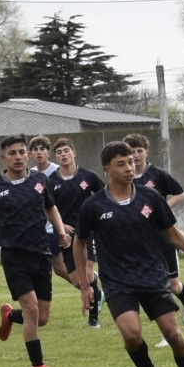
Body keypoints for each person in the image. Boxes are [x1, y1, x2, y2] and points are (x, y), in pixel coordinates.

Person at [73, 141, 184, 367]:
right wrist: (85, 285)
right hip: (117, 282)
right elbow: (78, 243)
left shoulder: (150, 197)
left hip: (151, 276)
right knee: (131, 335)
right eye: (122, 164)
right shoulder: (93, 206)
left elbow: (172, 233)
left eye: (131, 162)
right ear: (107, 169)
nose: (130, 167)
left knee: (173, 334)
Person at [0, 134, 70, 367]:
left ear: (27, 155)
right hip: (14, 256)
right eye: (12, 153)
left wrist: (61, 231)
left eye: (21, 152)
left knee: (42, 318)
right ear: (3, 158)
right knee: (31, 310)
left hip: (41, 253)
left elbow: (51, 207)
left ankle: (9, 315)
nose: (18, 157)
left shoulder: (40, 181)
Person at [122, 133, 184, 348]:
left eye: (138, 151)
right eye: (131, 151)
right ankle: (167, 331)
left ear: (146, 152)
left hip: (164, 239)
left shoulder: (158, 175)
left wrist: (162, 208)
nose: (135, 155)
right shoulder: (125, 178)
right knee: (155, 285)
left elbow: (180, 193)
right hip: (142, 242)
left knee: (173, 285)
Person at [50, 138, 106, 328]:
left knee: (87, 275)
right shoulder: (52, 181)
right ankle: (96, 285)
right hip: (66, 235)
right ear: (55, 157)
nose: (63, 155)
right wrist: (60, 226)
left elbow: (105, 196)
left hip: (87, 232)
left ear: (74, 153)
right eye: (59, 152)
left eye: (66, 150)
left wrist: (98, 219)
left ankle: (93, 319)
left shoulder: (88, 176)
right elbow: (46, 207)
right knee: (75, 278)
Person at [29, 135, 69, 282]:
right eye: (35, 149)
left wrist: (62, 225)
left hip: (57, 228)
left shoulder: (58, 172)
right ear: (30, 153)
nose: (39, 152)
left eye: (42, 149)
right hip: (38, 229)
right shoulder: (30, 174)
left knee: (59, 267)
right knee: (41, 268)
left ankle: (89, 286)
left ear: (48, 153)